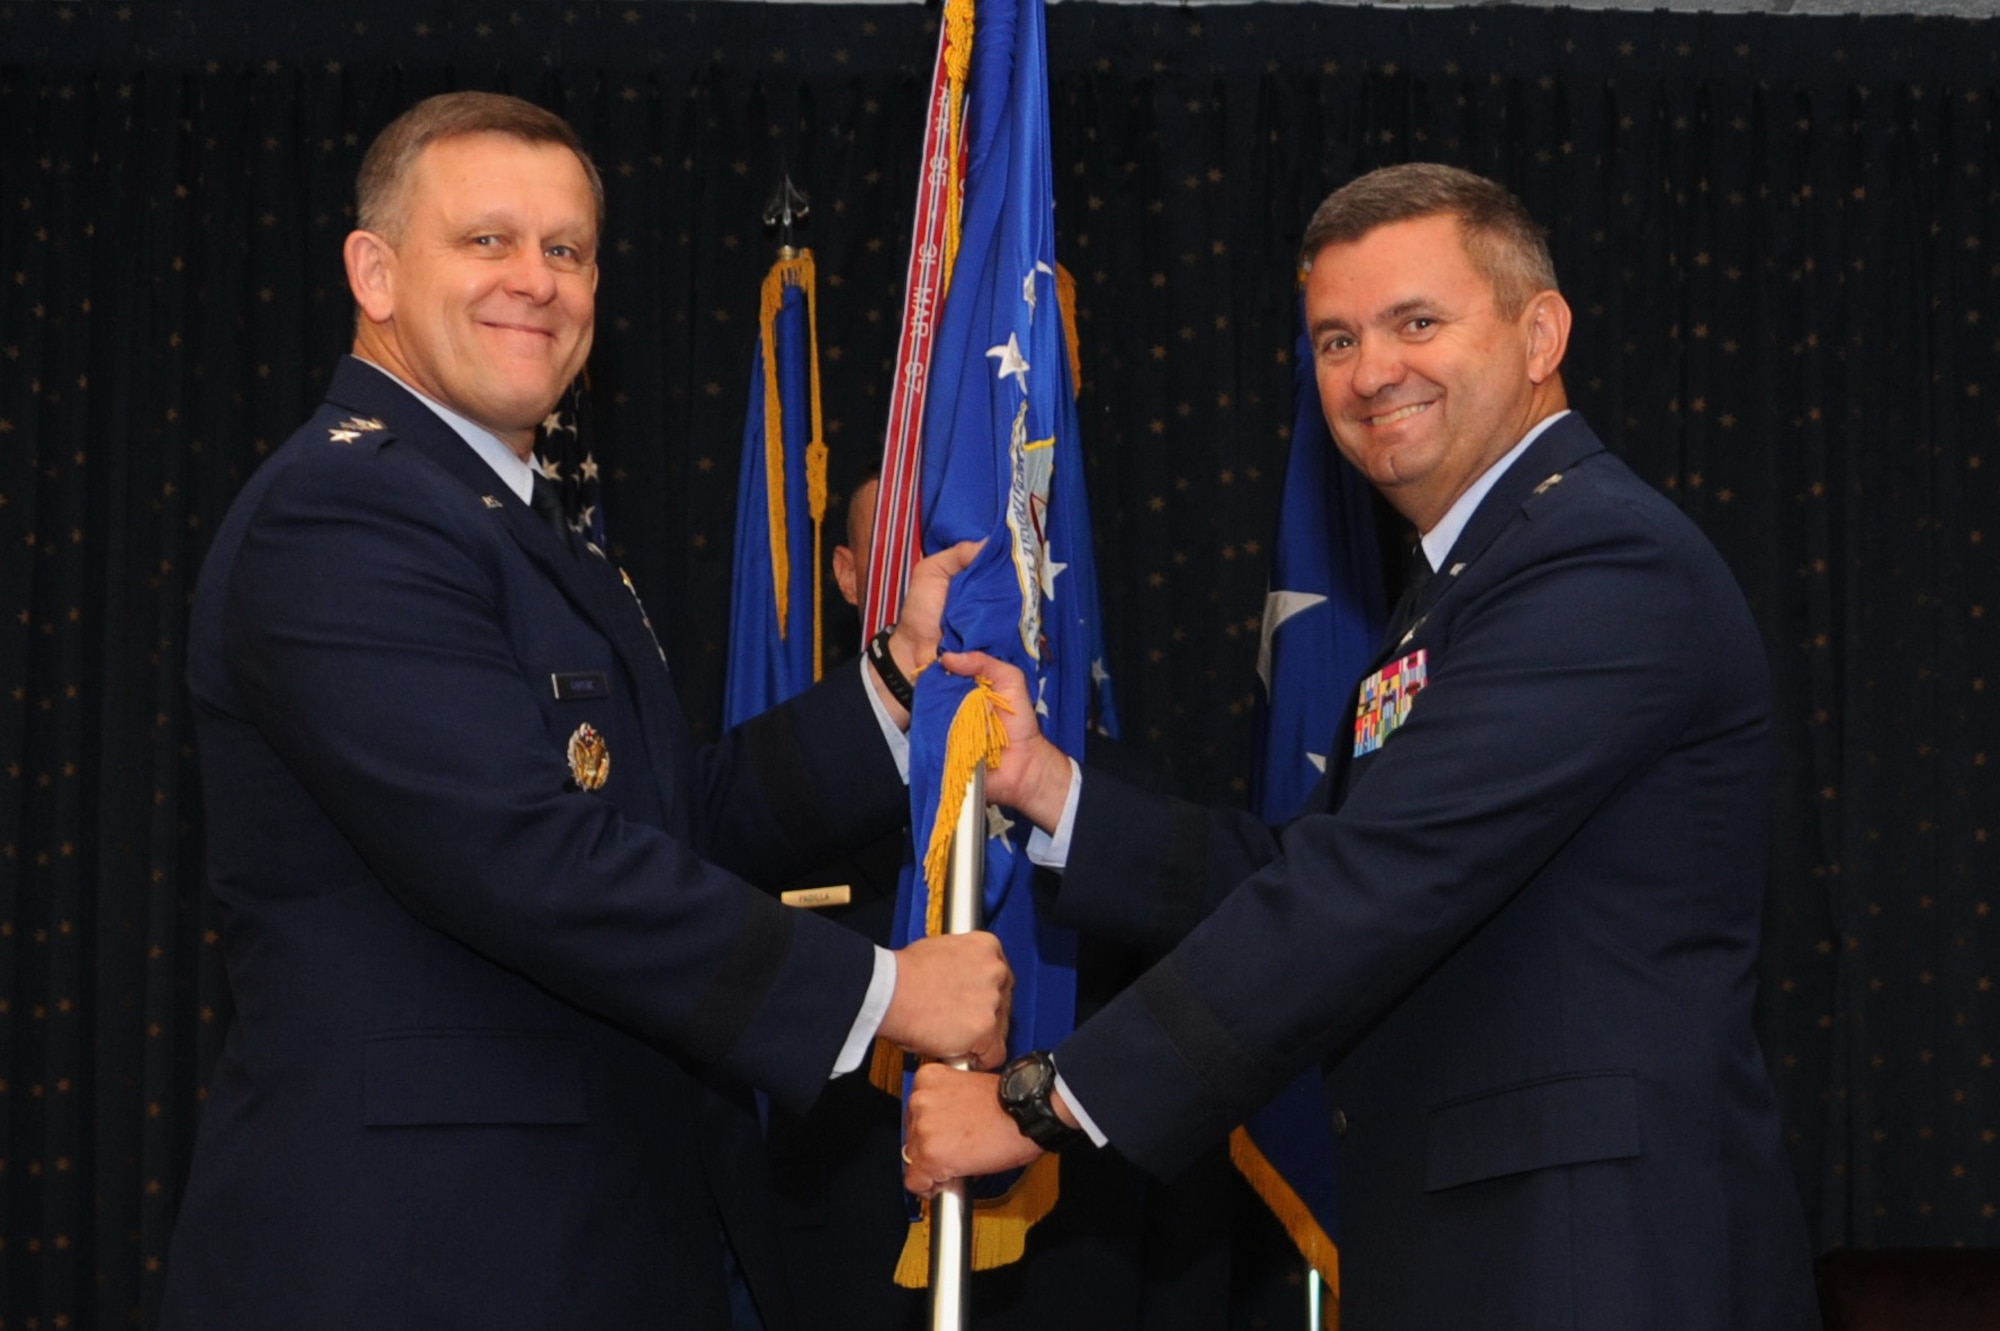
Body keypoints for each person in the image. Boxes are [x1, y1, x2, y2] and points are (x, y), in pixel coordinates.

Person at [903, 163, 1821, 1330]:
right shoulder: (1461, 579)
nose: (1370, 369)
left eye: (1415, 322)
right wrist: (1052, 792)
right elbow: (1317, 864)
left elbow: (1367, 883)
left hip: (1592, 1258)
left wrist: (1044, 1102)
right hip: (1477, 1245)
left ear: (1540, 332)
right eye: (1333, 339)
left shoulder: (1598, 559)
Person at [162, 91, 1013, 1331]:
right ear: (375, 271)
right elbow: (527, 855)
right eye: (488, 241)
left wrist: (894, 682)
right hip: (422, 1257)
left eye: (566, 249)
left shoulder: (511, 517)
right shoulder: (341, 515)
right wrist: (880, 993)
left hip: (587, 1235)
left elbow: (666, 816)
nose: (537, 281)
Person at [766, 477, 1234, 1330]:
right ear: (844, 572)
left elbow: (1196, 1096)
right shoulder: (789, 788)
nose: (942, 575)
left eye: (969, 545)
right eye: (911, 546)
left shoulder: (1107, 793)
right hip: (836, 1282)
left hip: (1077, 1281)